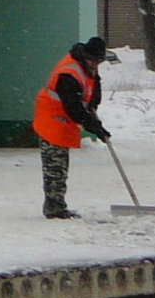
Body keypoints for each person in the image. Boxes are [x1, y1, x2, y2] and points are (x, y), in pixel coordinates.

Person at [33, 35, 112, 219]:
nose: (95, 64)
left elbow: (93, 86)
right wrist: (95, 127)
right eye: (92, 60)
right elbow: (74, 108)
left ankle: (57, 203)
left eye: (98, 61)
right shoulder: (69, 73)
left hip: (62, 119)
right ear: (85, 55)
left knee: (60, 163)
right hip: (51, 118)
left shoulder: (87, 66)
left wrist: (93, 104)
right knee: (55, 164)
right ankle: (54, 207)